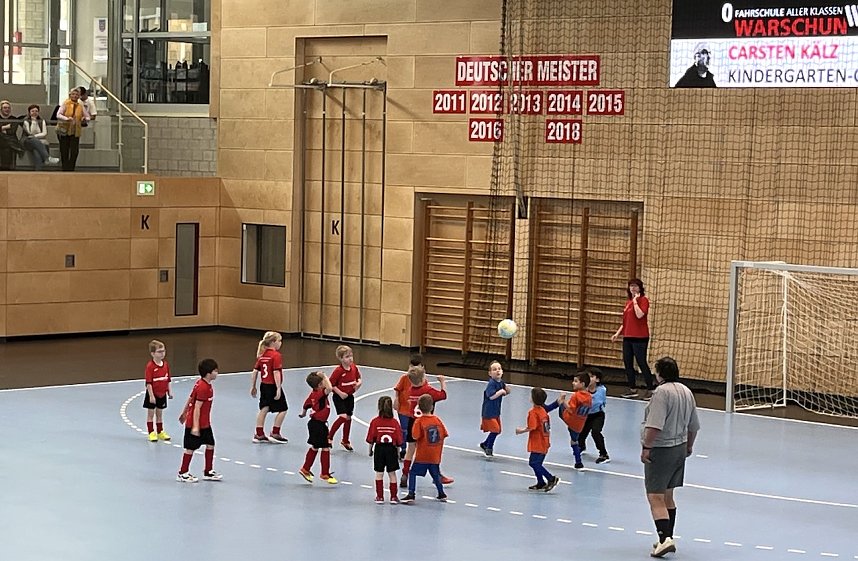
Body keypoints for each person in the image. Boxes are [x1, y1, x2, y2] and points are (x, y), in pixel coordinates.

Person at [641, 356, 701, 558]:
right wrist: (689, 446)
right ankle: (667, 537)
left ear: (659, 374)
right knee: (668, 496)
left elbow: (654, 425)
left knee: (655, 496)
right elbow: (694, 425)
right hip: (680, 447)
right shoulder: (686, 391)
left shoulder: (661, 393)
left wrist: (647, 447)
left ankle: (665, 539)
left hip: (662, 449)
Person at [399, 364, 448, 487]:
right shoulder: (428, 391)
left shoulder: (410, 390)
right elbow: (443, 395)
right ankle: (437, 475)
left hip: (413, 422)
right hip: (426, 424)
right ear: (422, 379)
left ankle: (405, 473)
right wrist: (442, 382)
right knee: (431, 450)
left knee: (410, 450)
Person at [176, 358, 223, 483]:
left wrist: (184, 412)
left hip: (205, 423)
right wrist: (195, 427)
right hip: (196, 423)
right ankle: (183, 472)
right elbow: (197, 407)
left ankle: (208, 471)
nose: (217, 373)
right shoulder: (203, 387)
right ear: (209, 373)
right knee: (190, 448)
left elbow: (191, 398)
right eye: (215, 371)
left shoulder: (204, 384)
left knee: (210, 444)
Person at [612, 278, 656, 398]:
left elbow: (640, 314)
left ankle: (651, 389)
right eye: (631, 286)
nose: (633, 288)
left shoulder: (643, 300)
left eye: (635, 286)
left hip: (640, 337)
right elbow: (625, 322)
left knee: (641, 363)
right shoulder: (628, 302)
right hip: (628, 336)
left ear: (640, 288)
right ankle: (632, 389)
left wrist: (636, 301)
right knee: (628, 363)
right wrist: (617, 333)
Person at [401, 394, 449, 504]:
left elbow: (415, 436)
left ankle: (411, 494)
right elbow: (444, 434)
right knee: (435, 474)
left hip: (423, 454)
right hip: (435, 454)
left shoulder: (419, 421)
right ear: (432, 407)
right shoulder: (437, 420)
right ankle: (441, 493)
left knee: (413, 473)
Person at [515, 387, 560, 492]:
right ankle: (540, 482)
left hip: (538, 442)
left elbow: (532, 427)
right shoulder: (543, 411)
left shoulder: (533, 412)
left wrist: (520, 430)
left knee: (534, 463)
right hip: (544, 440)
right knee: (535, 463)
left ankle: (550, 478)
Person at [298, 371, 337, 484]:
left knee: (315, 446)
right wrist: (324, 375)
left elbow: (306, 404)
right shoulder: (320, 393)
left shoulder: (313, 394)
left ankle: (306, 469)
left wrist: (303, 413)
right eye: (323, 382)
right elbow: (330, 388)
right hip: (318, 425)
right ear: (319, 385)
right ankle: (324, 473)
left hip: (316, 424)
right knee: (325, 447)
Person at [250, 331, 288, 443]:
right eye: (279, 341)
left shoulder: (262, 356)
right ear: (273, 342)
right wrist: (278, 388)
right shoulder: (276, 355)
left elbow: (255, 371)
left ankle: (259, 433)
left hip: (264, 385)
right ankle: (275, 432)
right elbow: (276, 372)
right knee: (283, 409)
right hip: (272, 385)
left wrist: (253, 386)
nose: (280, 343)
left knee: (264, 408)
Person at [366, 395, 403, 504]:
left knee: (379, 473)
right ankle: (393, 497)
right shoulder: (395, 423)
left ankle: (380, 497)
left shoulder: (375, 422)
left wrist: (370, 450)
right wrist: (398, 453)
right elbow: (399, 441)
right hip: (391, 449)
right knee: (392, 474)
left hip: (379, 449)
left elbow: (371, 439)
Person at [327, 345, 362, 451]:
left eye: (351, 356)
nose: (350, 358)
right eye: (347, 357)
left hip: (349, 397)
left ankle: (345, 440)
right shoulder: (338, 371)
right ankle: (329, 437)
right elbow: (331, 385)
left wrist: (358, 384)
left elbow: (359, 378)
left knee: (348, 418)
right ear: (341, 358)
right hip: (339, 397)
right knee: (343, 417)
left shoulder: (354, 368)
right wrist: (340, 393)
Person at [559, 371, 592, 470]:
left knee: (560, 404)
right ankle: (578, 462)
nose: (573, 383)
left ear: (582, 384)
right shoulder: (589, 397)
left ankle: (544, 408)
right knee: (574, 442)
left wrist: (563, 400)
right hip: (579, 425)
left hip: (570, 419)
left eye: (576, 381)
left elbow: (571, 409)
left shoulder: (576, 396)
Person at [578, 367, 610, 464]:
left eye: (591, 376)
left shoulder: (602, 390)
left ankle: (604, 454)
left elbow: (600, 402)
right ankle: (581, 446)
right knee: (581, 433)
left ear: (597, 380)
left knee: (596, 432)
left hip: (598, 415)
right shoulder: (582, 390)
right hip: (585, 415)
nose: (588, 378)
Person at [142, 339, 173, 442]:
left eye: (163, 351)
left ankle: (160, 432)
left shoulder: (166, 365)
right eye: (159, 352)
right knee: (151, 414)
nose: (162, 354)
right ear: (153, 354)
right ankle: (151, 432)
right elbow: (149, 382)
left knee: (159, 414)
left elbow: (168, 379)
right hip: (153, 394)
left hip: (162, 394)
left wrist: (169, 391)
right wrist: (151, 396)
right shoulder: (150, 366)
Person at [479, 360, 510, 457]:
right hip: (488, 412)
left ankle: (485, 444)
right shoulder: (491, 384)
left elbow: (505, 392)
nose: (497, 371)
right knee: (495, 430)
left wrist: (507, 390)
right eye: (494, 369)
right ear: (490, 373)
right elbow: (491, 396)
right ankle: (489, 447)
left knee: (498, 430)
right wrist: (501, 392)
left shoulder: (501, 383)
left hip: (496, 411)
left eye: (499, 369)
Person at [392, 355, 419, 460]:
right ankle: (403, 449)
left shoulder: (421, 380)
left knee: (413, 431)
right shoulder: (404, 378)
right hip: (403, 409)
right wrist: (396, 399)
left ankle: (412, 451)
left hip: (415, 411)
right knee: (404, 429)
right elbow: (398, 389)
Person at [56, 87, 90, 171]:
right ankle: (65, 168)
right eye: (73, 94)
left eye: (77, 94)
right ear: (70, 95)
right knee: (64, 151)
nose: (75, 96)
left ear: (79, 96)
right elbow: (58, 114)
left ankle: (71, 168)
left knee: (74, 151)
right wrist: (66, 118)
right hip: (65, 130)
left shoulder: (80, 105)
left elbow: (88, 116)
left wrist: (84, 118)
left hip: (75, 131)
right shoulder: (65, 104)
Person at [21, 105, 59, 170]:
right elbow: (29, 133)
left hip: (38, 142)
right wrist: (33, 122)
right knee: (33, 140)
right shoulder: (26, 121)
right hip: (27, 141)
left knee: (37, 152)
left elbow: (44, 133)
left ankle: (38, 171)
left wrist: (35, 136)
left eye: (36, 111)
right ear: (29, 112)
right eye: (32, 111)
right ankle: (47, 157)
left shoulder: (42, 121)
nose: (34, 113)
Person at [0, 100, 22, 170]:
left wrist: (1, 128)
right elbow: (7, 130)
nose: (7, 109)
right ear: (1, 109)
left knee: (8, 146)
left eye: (8, 108)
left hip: (10, 140)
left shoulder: (14, 119)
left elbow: (11, 131)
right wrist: (5, 127)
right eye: (5, 108)